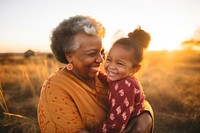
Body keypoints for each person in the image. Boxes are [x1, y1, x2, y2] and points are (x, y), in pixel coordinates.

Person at [37, 15, 154, 133]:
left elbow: (136, 99)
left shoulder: (104, 75)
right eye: (92, 53)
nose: (101, 59)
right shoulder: (56, 86)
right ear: (69, 55)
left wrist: (146, 117)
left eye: (102, 52)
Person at [79, 27, 151, 133]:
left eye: (119, 63)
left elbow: (115, 127)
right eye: (109, 59)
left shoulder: (125, 86)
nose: (111, 66)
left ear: (135, 69)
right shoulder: (122, 79)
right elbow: (108, 80)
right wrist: (95, 73)